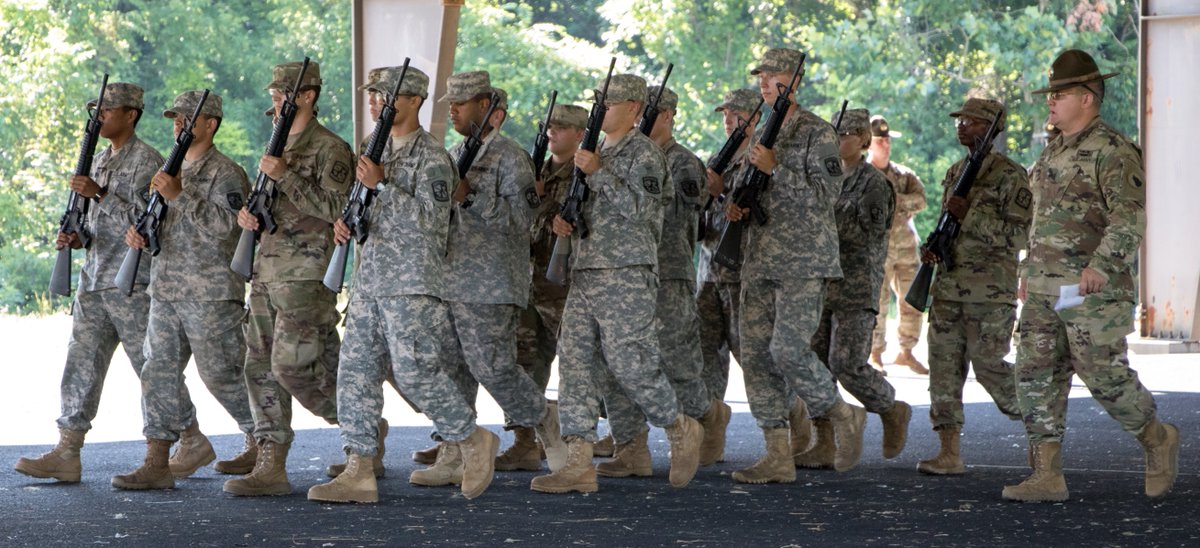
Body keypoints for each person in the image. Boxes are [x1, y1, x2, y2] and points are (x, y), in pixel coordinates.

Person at [306, 64, 499, 503]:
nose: (375, 101)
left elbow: (434, 223)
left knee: (415, 371)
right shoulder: (376, 152)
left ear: (413, 101)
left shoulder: (430, 157)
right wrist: (348, 223)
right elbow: (372, 216)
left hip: (412, 284)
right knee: (354, 375)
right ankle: (358, 469)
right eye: (373, 94)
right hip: (370, 281)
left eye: (385, 95)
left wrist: (384, 186)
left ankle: (471, 439)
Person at [1004, 49, 1180, 501]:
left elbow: (1128, 218)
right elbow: (1039, 221)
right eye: (1050, 94)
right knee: (1035, 376)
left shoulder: (1113, 151)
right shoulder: (1051, 152)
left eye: (1059, 94)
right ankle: (1047, 475)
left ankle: (1157, 438)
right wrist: (1026, 269)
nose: (1050, 101)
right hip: (1045, 290)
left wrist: (1101, 266)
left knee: (1104, 376)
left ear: (1086, 97)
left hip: (1091, 292)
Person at [14, 83, 202, 483]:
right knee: (80, 363)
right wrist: (76, 237)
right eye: (96, 111)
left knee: (152, 370)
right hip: (95, 278)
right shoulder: (99, 159)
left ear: (131, 114)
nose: (99, 118)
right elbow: (98, 226)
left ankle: (190, 435)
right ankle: (68, 449)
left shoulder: (151, 161)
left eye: (107, 110)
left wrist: (99, 194)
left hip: (131, 283)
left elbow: (150, 223)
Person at [531, 73, 703, 494]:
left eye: (608, 102)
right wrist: (565, 221)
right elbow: (590, 208)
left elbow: (642, 210)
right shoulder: (596, 151)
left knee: (631, 364)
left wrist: (600, 173)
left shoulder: (643, 153)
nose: (599, 108)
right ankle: (578, 461)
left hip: (626, 273)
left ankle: (679, 426)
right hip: (586, 271)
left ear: (633, 109)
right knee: (575, 364)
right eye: (598, 101)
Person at [408, 73, 565, 488]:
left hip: (492, 283)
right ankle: (454, 449)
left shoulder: (511, 158)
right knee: (450, 369)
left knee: (492, 367)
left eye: (462, 102)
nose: (453, 108)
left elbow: (524, 220)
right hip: (449, 279)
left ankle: (544, 417)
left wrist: (470, 198)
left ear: (486, 107)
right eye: (451, 101)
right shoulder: (456, 152)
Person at [724, 48, 866, 485]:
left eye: (774, 75)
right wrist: (736, 201)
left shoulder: (816, 132)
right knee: (756, 356)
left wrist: (777, 168)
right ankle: (777, 453)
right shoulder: (761, 129)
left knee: (787, 349)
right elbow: (748, 182)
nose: (765, 82)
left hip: (804, 260)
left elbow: (827, 196)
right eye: (761, 75)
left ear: (795, 81)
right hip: (760, 257)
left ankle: (841, 414)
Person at [112, 90, 255, 490]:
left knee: (222, 374)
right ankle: (157, 460)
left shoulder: (226, 173)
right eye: (176, 118)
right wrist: (141, 233)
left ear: (210, 124)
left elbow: (230, 231)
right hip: (166, 287)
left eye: (189, 119)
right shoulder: (168, 172)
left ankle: (262, 436)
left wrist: (180, 196)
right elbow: (161, 223)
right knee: (156, 371)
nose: (180, 125)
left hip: (209, 292)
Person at [227, 61, 356, 494]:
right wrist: (250, 215)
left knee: (294, 366)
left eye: (282, 93)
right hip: (266, 270)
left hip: (306, 275)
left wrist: (286, 175)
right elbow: (271, 208)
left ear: (307, 97)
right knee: (259, 367)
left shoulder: (330, 149)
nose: (275, 101)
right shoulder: (274, 145)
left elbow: (339, 210)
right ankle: (271, 462)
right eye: (274, 95)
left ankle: (360, 427)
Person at [598, 85, 726, 478]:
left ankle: (706, 416)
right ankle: (630, 441)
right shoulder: (624, 154)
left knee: (677, 359)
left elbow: (679, 215)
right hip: (630, 273)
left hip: (668, 272)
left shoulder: (683, 163)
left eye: (652, 112)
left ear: (668, 115)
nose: (644, 119)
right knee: (623, 360)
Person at [915, 98, 1029, 475]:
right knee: (943, 370)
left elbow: (1020, 235)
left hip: (988, 294)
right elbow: (949, 225)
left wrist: (973, 216)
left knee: (989, 366)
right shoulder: (955, 172)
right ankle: (949, 452)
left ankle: (1042, 430)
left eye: (973, 121)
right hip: (948, 289)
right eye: (960, 120)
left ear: (993, 129)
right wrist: (933, 245)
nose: (962, 126)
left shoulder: (1010, 176)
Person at [799, 107, 912, 469]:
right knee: (815, 365)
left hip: (855, 286)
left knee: (846, 363)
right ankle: (824, 440)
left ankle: (890, 407)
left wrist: (819, 220)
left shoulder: (874, 184)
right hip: (819, 284)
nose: (839, 140)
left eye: (847, 134)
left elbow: (868, 234)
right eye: (835, 133)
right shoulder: (821, 176)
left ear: (864, 141)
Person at [510, 103, 588, 468]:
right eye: (548, 125)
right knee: (525, 361)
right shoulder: (535, 171)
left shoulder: (586, 174)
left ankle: (588, 441)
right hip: (530, 282)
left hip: (565, 285)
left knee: (578, 366)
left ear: (579, 134)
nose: (551, 131)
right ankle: (525, 441)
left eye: (560, 126)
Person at [867, 115, 928, 374]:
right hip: (877, 251)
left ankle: (907, 351)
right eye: (880, 141)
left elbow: (921, 200)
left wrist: (895, 200)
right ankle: (875, 352)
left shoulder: (903, 175)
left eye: (887, 140)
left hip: (905, 249)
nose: (885, 145)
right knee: (877, 303)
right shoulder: (863, 175)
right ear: (868, 143)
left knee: (912, 301)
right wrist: (902, 204)